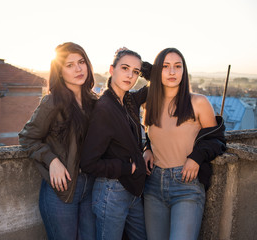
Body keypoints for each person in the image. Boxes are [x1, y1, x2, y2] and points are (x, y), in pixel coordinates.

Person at [142, 47, 226, 240]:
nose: (172, 72)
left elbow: (216, 138)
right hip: (153, 185)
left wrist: (196, 158)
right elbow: (153, 136)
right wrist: (147, 149)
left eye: (177, 66)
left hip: (186, 186)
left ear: (183, 71)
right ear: (158, 71)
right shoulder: (150, 104)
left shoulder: (198, 102)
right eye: (165, 66)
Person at [18, 42, 98, 240]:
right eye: (69, 65)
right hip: (61, 192)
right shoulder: (52, 102)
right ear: (60, 72)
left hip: (91, 188)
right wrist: (52, 160)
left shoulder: (95, 103)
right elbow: (27, 137)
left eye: (81, 62)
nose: (78, 69)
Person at [80, 48, 148, 240]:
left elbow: (156, 88)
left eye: (136, 72)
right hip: (111, 192)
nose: (130, 75)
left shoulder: (129, 101)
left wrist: (149, 70)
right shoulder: (104, 108)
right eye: (125, 68)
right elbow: (88, 163)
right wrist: (128, 168)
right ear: (112, 70)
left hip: (133, 191)